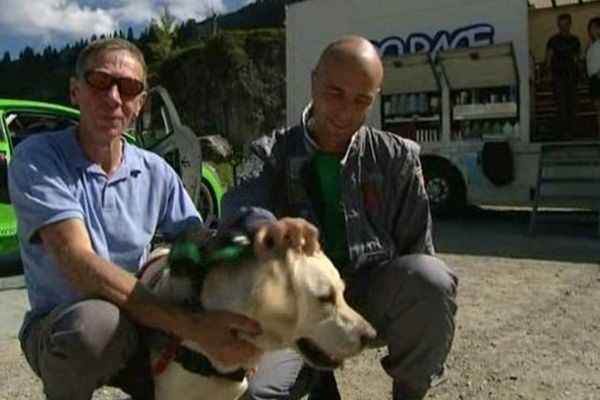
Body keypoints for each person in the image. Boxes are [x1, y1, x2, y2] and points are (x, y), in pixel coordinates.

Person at [8, 38, 319, 400]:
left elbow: (199, 243)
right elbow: (79, 265)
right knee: (93, 327)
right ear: (75, 91)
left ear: (139, 105)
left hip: (141, 318)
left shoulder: (154, 170)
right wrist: (192, 326)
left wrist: (260, 229)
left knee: (254, 359)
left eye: (128, 88)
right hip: (66, 321)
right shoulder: (40, 158)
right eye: (99, 81)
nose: (113, 97)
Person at [223, 35, 458, 400]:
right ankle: (311, 370)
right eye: (335, 93)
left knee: (432, 279)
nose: (345, 111)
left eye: (361, 100)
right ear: (314, 81)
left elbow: (418, 254)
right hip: (297, 306)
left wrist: (418, 323)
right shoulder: (270, 152)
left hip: (369, 298)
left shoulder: (399, 159)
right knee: (254, 391)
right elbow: (238, 208)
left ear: (374, 98)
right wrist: (268, 229)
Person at [545, 12, 582, 140]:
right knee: (561, 103)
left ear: (570, 24)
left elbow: (577, 58)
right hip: (558, 76)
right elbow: (548, 58)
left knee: (572, 103)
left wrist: (580, 73)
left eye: (566, 25)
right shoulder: (553, 40)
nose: (563, 28)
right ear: (558, 25)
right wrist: (549, 73)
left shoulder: (575, 40)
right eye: (561, 25)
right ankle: (564, 131)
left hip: (571, 75)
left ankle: (572, 130)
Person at [586, 17, 600, 137]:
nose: (593, 31)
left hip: (598, 76)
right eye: (591, 29)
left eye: (595, 28)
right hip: (593, 78)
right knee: (598, 108)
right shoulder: (592, 45)